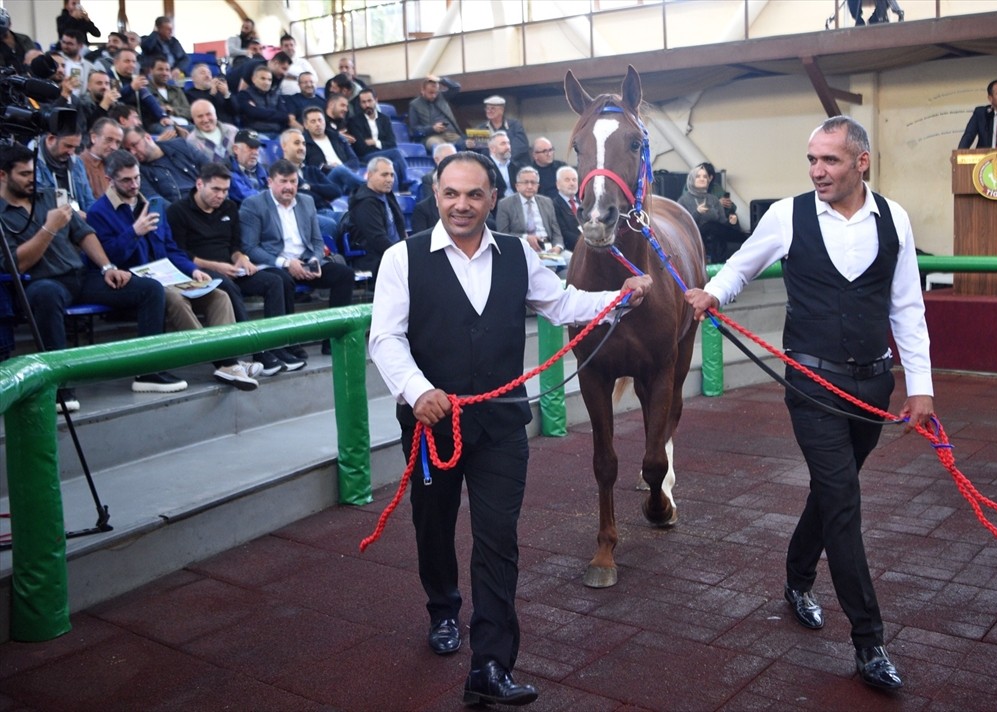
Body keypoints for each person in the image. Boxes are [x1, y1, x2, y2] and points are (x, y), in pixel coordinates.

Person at [367, 151, 651, 707]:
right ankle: (443, 607)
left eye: (474, 194)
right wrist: (416, 391)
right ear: (436, 195)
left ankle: (491, 664)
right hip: (431, 428)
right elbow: (386, 338)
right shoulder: (401, 258)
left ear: (492, 198)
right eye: (452, 194)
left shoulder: (519, 253)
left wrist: (619, 298)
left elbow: (563, 303)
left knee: (498, 542)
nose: (462, 205)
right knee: (433, 528)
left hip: (500, 424)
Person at [683, 116, 933, 692]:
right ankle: (869, 641)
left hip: (873, 386)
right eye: (812, 161)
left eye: (831, 161)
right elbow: (743, 265)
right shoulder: (787, 215)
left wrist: (921, 386)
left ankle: (797, 577)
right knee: (844, 499)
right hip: (811, 385)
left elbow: (907, 307)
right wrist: (712, 293)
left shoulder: (894, 218)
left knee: (831, 490)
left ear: (861, 162)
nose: (818, 171)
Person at [0, 143, 173, 410]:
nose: (32, 179)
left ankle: (149, 370)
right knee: (46, 294)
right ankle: (60, 386)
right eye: (24, 174)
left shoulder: (52, 196)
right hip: (38, 283)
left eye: (33, 173)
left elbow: (84, 233)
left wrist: (107, 267)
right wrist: (49, 228)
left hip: (79, 277)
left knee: (150, 288)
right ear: (3, 175)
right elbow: (17, 263)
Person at [89, 149, 261, 391]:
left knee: (218, 295)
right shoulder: (98, 212)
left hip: (167, 274)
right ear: (110, 180)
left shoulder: (152, 205)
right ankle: (224, 363)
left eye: (137, 178)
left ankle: (229, 363)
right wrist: (134, 232)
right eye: (126, 180)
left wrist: (192, 270)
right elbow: (108, 259)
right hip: (137, 282)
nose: (134, 184)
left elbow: (171, 249)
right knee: (175, 299)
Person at [166, 161, 303, 374]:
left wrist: (241, 258)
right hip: (199, 271)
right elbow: (180, 253)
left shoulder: (229, 207)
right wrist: (217, 266)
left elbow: (234, 245)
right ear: (199, 184)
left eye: (225, 190)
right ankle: (258, 351)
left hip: (231, 268)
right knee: (228, 287)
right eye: (216, 189)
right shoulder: (178, 211)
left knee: (276, 280)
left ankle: (277, 345)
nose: (221, 196)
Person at [240, 159, 358, 356]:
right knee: (282, 280)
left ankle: (334, 340)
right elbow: (250, 247)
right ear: (270, 182)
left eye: (293, 181)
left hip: (305, 261)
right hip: (275, 263)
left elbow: (317, 241)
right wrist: (286, 263)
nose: (289, 187)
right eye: (283, 181)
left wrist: (314, 259)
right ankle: (288, 342)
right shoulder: (254, 204)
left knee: (344, 274)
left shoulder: (306, 201)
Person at [343, 157, 407, 275]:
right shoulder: (365, 202)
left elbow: (400, 227)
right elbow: (377, 239)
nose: (390, 179)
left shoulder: (388, 195)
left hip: (394, 255)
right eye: (384, 175)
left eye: (392, 175)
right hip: (375, 260)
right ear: (370, 175)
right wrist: (402, 257)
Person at [278, 128, 343, 236]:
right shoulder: (279, 170)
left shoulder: (312, 170)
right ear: (284, 146)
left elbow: (336, 191)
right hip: (303, 215)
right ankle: (331, 253)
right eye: (297, 143)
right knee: (329, 224)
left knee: (351, 218)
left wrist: (310, 187)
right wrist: (321, 192)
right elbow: (301, 197)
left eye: (303, 144)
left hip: (326, 211)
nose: (302, 148)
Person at [122, 125, 206, 203]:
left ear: (147, 137)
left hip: (207, 197)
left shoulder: (181, 145)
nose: (133, 152)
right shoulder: (138, 172)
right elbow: (155, 201)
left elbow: (209, 168)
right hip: (182, 211)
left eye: (134, 145)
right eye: (128, 150)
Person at [347, 88, 410, 190]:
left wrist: (375, 142)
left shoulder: (384, 119)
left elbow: (392, 143)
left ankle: (398, 191)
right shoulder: (354, 122)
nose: (367, 105)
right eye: (363, 102)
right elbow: (361, 148)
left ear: (376, 100)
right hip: (366, 157)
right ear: (360, 104)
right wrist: (382, 146)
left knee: (394, 164)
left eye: (369, 101)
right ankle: (407, 179)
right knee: (395, 153)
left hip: (384, 154)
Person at [496, 166, 565, 259]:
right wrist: (525, 238)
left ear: (538, 186)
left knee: (574, 261)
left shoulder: (547, 202)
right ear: (517, 186)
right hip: (522, 249)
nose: (529, 186)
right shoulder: (505, 204)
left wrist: (558, 247)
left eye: (533, 183)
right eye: (525, 182)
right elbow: (502, 234)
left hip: (549, 248)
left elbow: (556, 232)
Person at [678, 165, 743, 263]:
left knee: (715, 231)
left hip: (715, 236)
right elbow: (682, 225)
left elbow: (722, 223)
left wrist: (731, 223)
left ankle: (720, 263)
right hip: (694, 235)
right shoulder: (684, 200)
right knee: (709, 226)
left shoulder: (713, 199)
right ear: (691, 179)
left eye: (705, 177)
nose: (702, 179)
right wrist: (697, 213)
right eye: (698, 176)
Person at [109, 48, 175, 135]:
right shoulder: (110, 77)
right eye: (127, 61)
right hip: (120, 125)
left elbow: (149, 99)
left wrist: (162, 116)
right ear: (116, 62)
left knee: (174, 129)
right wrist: (131, 88)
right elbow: (114, 98)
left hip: (143, 122)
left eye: (134, 61)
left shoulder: (135, 78)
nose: (132, 65)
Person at [302, 106, 364, 196]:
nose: (318, 124)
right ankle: (371, 187)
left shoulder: (338, 138)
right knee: (339, 170)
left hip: (346, 176)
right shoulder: (303, 144)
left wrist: (341, 167)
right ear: (306, 125)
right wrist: (332, 168)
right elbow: (307, 171)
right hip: (327, 182)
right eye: (313, 121)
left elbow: (354, 161)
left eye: (320, 120)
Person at [34, 126, 93, 215]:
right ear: (51, 139)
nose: (71, 152)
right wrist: (74, 215)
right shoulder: (32, 163)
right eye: (68, 146)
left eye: (75, 147)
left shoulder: (77, 163)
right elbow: (38, 207)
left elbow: (89, 200)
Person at [407, 75, 464, 150]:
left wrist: (440, 80)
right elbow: (414, 130)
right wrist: (432, 128)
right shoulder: (415, 105)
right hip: (431, 137)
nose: (434, 95)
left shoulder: (442, 96)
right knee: (441, 147)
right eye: (430, 93)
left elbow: (456, 87)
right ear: (423, 90)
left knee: (471, 144)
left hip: (451, 134)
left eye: (436, 92)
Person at [237, 64, 294, 137]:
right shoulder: (244, 94)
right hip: (257, 134)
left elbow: (284, 116)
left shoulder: (276, 95)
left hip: (278, 134)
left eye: (269, 80)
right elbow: (252, 113)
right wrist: (276, 114)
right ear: (253, 79)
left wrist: (260, 112)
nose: (267, 82)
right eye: (263, 78)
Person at [470, 96, 530, 164]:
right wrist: (467, 144)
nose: (489, 111)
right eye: (487, 108)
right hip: (493, 169)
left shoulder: (515, 125)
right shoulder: (481, 129)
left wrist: (502, 158)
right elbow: (482, 151)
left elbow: (520, 147)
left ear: (502, 110)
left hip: (515, 167)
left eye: (492, 108)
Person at [81, 118, 124, 201]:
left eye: (118, 143)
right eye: (109, 140)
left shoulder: (116, 166)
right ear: (93, 137)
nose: (114, 147)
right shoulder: (79, 164)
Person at [146, 55, 191, 125]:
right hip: (160, 125)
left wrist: (173, 110)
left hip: (184, 123)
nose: (164, 73)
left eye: (167, 70)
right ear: (151, 71)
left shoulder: (177, 90)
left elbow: (189, 112)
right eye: (160, 69)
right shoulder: (146, 90)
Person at [227, 129, 268, 203]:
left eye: (257, 148)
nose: (255, 152)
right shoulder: (226, 170)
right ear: (236, 149)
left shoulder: (266, 170)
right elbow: (245, 196)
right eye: (250, 147)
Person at [552, 165, 581, 251]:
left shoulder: (583, 202)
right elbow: (563, 232)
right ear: (558, 184)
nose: (572, 183)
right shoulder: (554, 205)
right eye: (567, 180)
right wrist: (583, 242)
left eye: (574, 180)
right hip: (572, 247)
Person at [487, 132, 519, 199]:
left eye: (508, 143)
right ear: (493, 149)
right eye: (503, 144)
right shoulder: (485, 167)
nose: (508, 147)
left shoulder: (516, 166)